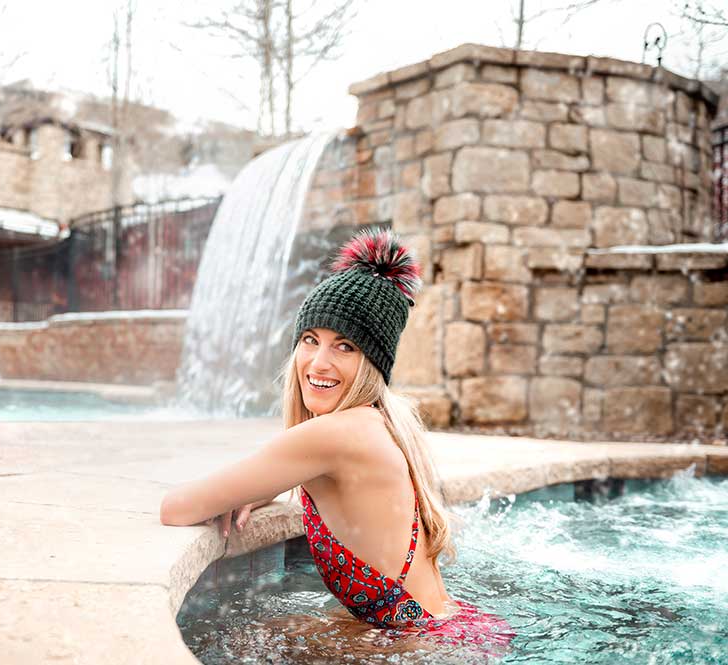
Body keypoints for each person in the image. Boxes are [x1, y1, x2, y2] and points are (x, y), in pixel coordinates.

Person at [160, 228, 512, 647]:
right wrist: (260, 488)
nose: (318, 363)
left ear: (372, 363)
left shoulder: (334, 434)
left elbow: (175, 508)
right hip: (450, 631)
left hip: (414, 647)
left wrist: (236, 492)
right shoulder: (377, 421)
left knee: (228, 638)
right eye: (311, 340)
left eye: (344, 346)